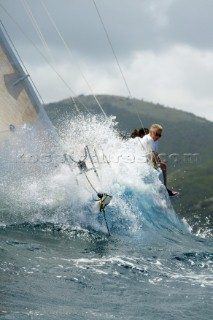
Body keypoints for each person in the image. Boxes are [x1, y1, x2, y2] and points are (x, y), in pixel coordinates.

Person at [141, 124, 179, 197]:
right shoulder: (149, 139)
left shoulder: (155, 140)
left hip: (149, 159)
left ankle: (164, 188)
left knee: (163, 165)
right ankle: (163, 189)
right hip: (142, 161)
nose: (158, 137)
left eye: (159, 135)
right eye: (156, 134)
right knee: (162, 166)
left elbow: (156, 154)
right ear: (151, 132)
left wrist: (160, 162)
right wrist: (159, 163)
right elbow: (152, 154)